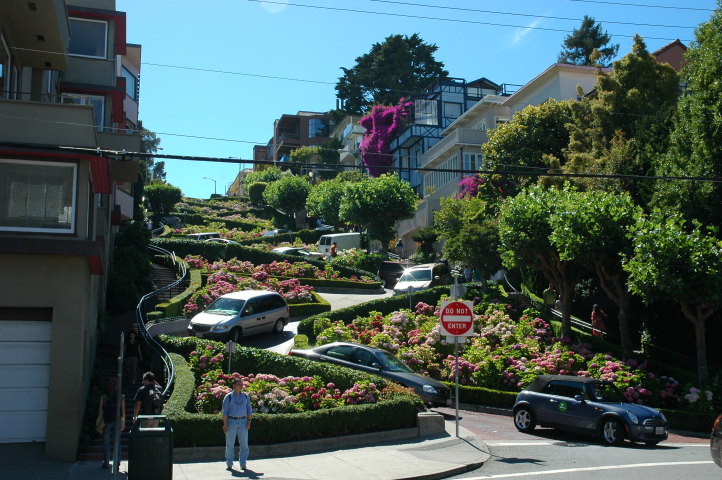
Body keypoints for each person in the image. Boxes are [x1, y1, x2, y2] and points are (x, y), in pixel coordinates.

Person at [222, 377, 253, 471]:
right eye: (239, 384)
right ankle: (229, 463)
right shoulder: (228, 397)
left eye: (242, 384)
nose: (241, 385)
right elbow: (225, 412)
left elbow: (249, 410)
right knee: (230, 444)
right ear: (234, 386)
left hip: (243, 422)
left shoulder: (246, 396)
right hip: (231, 421)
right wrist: (225, 424)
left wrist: (249, 421)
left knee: (244, 444)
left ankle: (243, 464)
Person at [99, 377, 125, 469]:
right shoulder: (121, 396)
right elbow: (123, 411)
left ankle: (106, 462)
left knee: (106, 442)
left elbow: (100, 410)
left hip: (107, 422)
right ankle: (117, 462)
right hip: (117, 421)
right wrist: (123, 422)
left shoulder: (104, 396)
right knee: (117, 442)